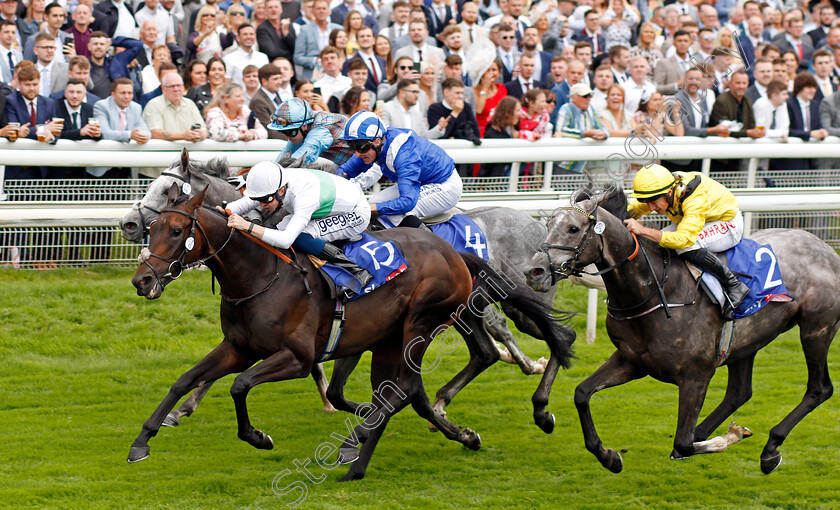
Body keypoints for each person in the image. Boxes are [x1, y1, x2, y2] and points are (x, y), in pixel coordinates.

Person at [221, 160, 373, 294]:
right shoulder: (279, 181)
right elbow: (249, 201)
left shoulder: (304, 197)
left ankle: (357, 272)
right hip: (333, 203)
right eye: (258, 199)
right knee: (276, 230)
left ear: (281, 191)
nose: (261, 205)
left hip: (355, 213)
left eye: (265, 199)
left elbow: (286, 240)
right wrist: (226, 210)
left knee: (299, 237)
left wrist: (248, 226)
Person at [624, 164, 751, 314]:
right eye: (648, 201)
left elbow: (684, 239)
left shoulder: (693, 196)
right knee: (656, 242)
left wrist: (642, 229)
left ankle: (734, 284)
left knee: (684, 245)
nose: (651, 208)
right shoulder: (663, 189)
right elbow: (635, 208)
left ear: (669, 192)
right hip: (704, 221)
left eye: (653, 202)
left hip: (727, 223)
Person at [337, 110, 462, 230]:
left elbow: (407, 202)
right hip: (422, 181)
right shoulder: (372, 146)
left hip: (445, 185)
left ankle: (429, 248)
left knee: (395, 212)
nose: (357, 154)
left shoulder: (403, 155)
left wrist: (369, 207)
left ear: (377, 141)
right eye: (353, 147)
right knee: (374, 201)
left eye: (360, 147)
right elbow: (346, 171)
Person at [268, 96, 355, 165]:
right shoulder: (304, 124)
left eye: (290, 132)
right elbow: (285, 154)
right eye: (283, 132)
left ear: (305, 126)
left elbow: (304, 157)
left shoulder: (321, 129)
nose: (287, 137)